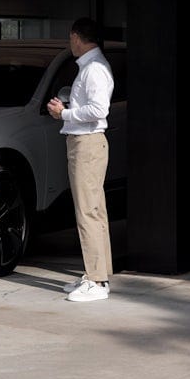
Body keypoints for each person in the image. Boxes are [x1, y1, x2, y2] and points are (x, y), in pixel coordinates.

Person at [47, 18, 115, 302]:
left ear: (76, 37)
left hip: (86, 144)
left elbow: (99, 109)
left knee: (87, 211)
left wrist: (64, 113)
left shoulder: (94, 69)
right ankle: (97, 274)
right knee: (95, 210)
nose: (69, 42)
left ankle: (97, 282)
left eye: (70, 37)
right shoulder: (91, 67)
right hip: (88, 144)